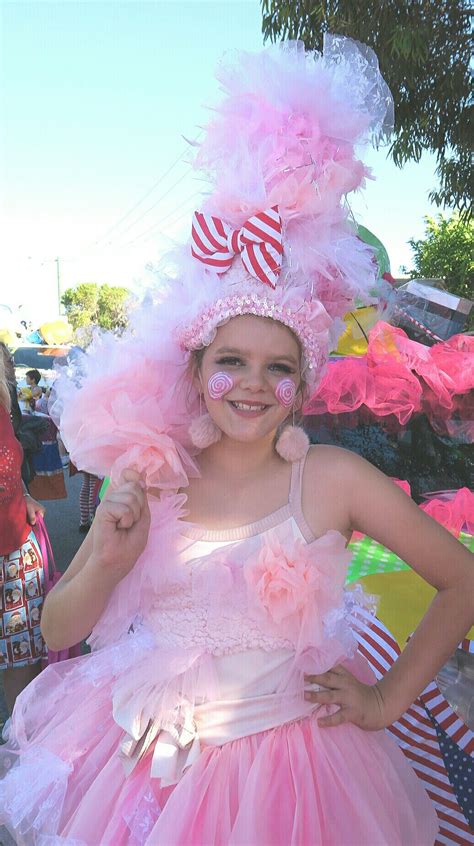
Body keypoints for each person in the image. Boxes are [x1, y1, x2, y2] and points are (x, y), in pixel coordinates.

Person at [1, 36, 473, 845]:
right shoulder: (153, 471)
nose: (253, 386)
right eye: (231, 362)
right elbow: (56, 630)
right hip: (140, 773)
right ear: (195, 368)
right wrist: (110, 557)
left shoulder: (333, 477)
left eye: (277, 368)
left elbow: (461, 580)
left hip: (300, 777)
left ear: (303, 382)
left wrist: (385, 701)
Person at [0, 353, 47, 718]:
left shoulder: (2, 401)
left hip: (16, 553)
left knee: (26, 667)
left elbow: (8, 466)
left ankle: (23, 757)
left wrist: (23, 492)